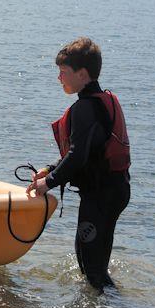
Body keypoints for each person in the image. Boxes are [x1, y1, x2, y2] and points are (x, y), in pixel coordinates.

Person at [27, 37, 131, 292]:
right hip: (116, 190)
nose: (59, 78)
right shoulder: (104, 100)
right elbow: (85, 151)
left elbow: (77, 157)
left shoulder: (85, 108)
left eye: (64, 72)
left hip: (101, 196)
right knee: (92, 262)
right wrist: (51, 169)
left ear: (82, 74)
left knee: (91, 268)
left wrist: (47, 183)